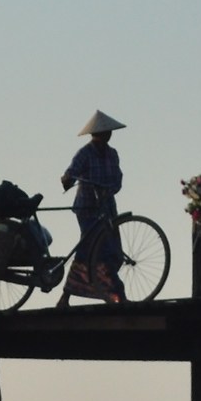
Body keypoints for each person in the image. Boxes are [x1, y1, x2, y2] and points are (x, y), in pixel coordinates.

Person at [61, 110, 127, 303]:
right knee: (97, 250)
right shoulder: (85, 153)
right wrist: (67, 180)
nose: (106, 135)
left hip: (106, 208)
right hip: (88, 208)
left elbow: (118, 180)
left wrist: (109, 190)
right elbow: (71, 173)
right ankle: (115, 292)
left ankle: (99, 291)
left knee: (111, 251)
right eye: (104, 132)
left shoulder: (112, 154)